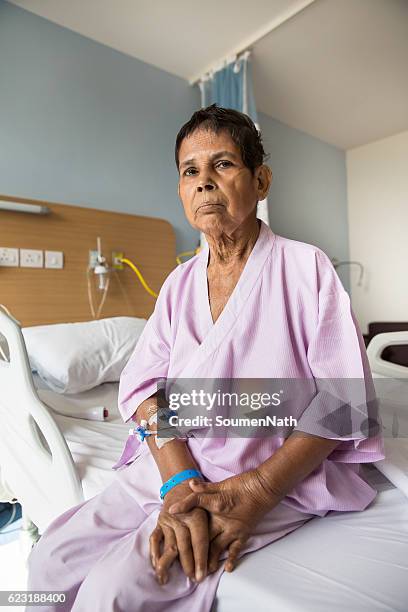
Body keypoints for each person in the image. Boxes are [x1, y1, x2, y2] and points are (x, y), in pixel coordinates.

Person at [26, 104, 385, 611]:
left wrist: (256, 492)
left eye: (223, 165)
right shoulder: (177, 287)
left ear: (260, 180)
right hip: (176, 467)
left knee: (113, 593)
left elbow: (343, 401)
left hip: (269, 473)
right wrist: (178, 485)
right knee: (47, 564)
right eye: (190, 171)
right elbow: (144, 393)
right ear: (179, 191)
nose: (204, 182)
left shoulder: (306, 269)